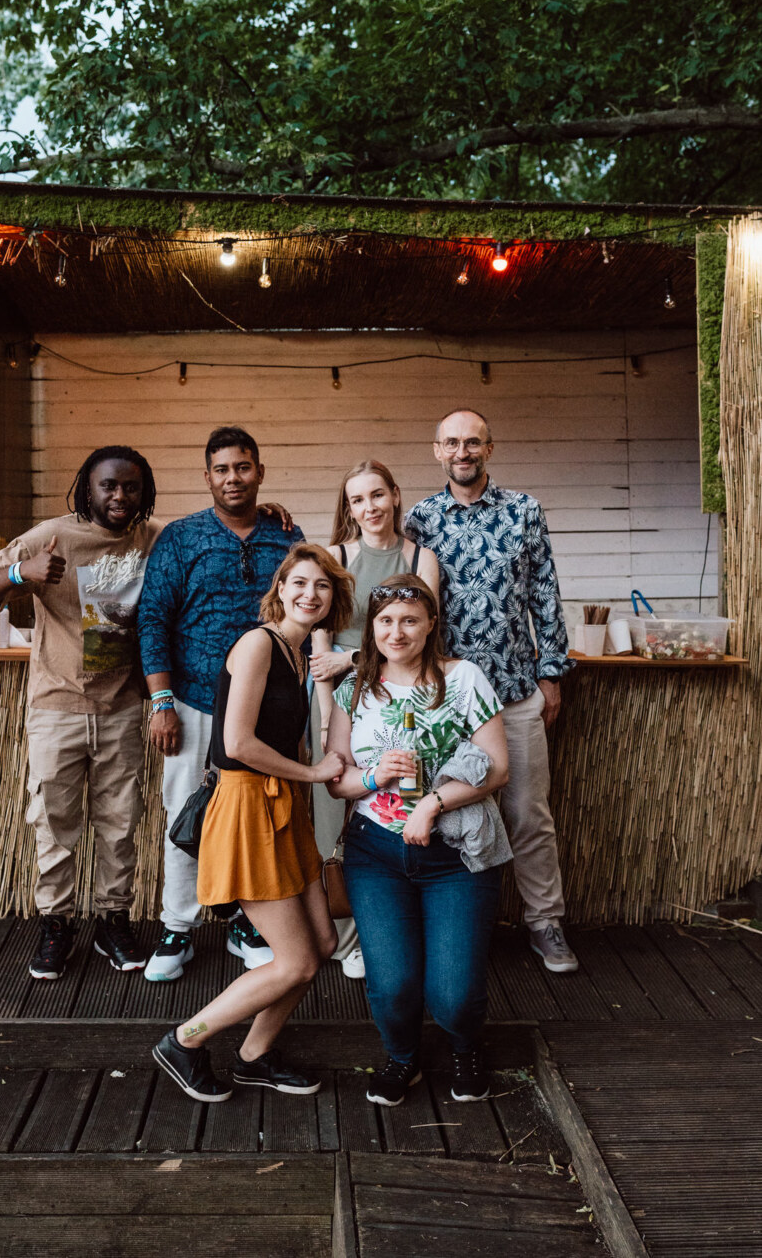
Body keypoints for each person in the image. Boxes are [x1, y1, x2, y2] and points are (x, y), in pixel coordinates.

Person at [152, 543, 354, 1102]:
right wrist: (313, 774)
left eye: (322, 586)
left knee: (320, 943)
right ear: (280, 589)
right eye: (300, 583)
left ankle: (254, 1055)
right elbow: (235, 744)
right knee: (292, 962)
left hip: (284, 807)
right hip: (247, 807)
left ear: (333, 599)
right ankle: (184, 1041)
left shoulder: (296, 655)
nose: (309, 594)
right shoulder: (258, 644)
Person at [0, 446, 161, 980]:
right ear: (87, 488)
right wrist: (19, 570)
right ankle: (57, 925)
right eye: (108, 486)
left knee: (121, 822)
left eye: (130, 487)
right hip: (57, 707)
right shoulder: (50, 536)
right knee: (53, 822)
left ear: (144, 491)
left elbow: (214, 533)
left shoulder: (154, 538)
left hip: (123, 706)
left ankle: (113, 921)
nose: (119, 496)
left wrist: (266, 514)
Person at [403, 407, 578, 973]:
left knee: (528, 813)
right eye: (451, 442)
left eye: (472, 442)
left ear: (489, 448)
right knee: (450, 816)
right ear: (437, 450)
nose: (463, 452)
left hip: (514, 690)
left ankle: (545, 922)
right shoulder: (420, 519)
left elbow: (545, 596)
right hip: (445, 698)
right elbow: (397, 595)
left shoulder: (524, 511)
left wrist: (550, 673)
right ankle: (455, 932)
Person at [326, 575, 509, 1107]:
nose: (397, 631)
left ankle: (464, 1046)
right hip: (375, 852)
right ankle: (402, 1057)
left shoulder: (464, 678)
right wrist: (376, 776)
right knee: (393, 985)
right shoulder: (355, 688)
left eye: (409, 620)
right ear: (372, 628)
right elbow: (338, 781)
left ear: (430, 625)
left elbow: (497, 769)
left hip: (454, 853)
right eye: (385, 621)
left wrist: (433, 802)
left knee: (452, 994)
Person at [138, 426, 304, 981]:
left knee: (258, 817)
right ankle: (177, 928)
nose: (233, 478)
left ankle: (245, 922)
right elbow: (153, 618)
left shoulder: (287, 535)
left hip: (265, 709)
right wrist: (161, 700)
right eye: (221, 469)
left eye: (243, 467)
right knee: (187, 813)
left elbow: (305, 605)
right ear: (207, 476)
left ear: (260, 470)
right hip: (192, 701)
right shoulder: (182, 539)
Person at [308, 459, 439, 980]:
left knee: (391, 801)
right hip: (336, 699)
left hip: (398, 693)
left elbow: (422, 632)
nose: (369, 508)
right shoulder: (337, 556)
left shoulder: (420, 557)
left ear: (395, 495)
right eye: (358, 500)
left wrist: (352, 661)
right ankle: (344, 940)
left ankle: (396, 929)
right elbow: (322, 646)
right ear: (349, 508)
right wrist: (324, 720)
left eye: (377, 496)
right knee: (331, 815)